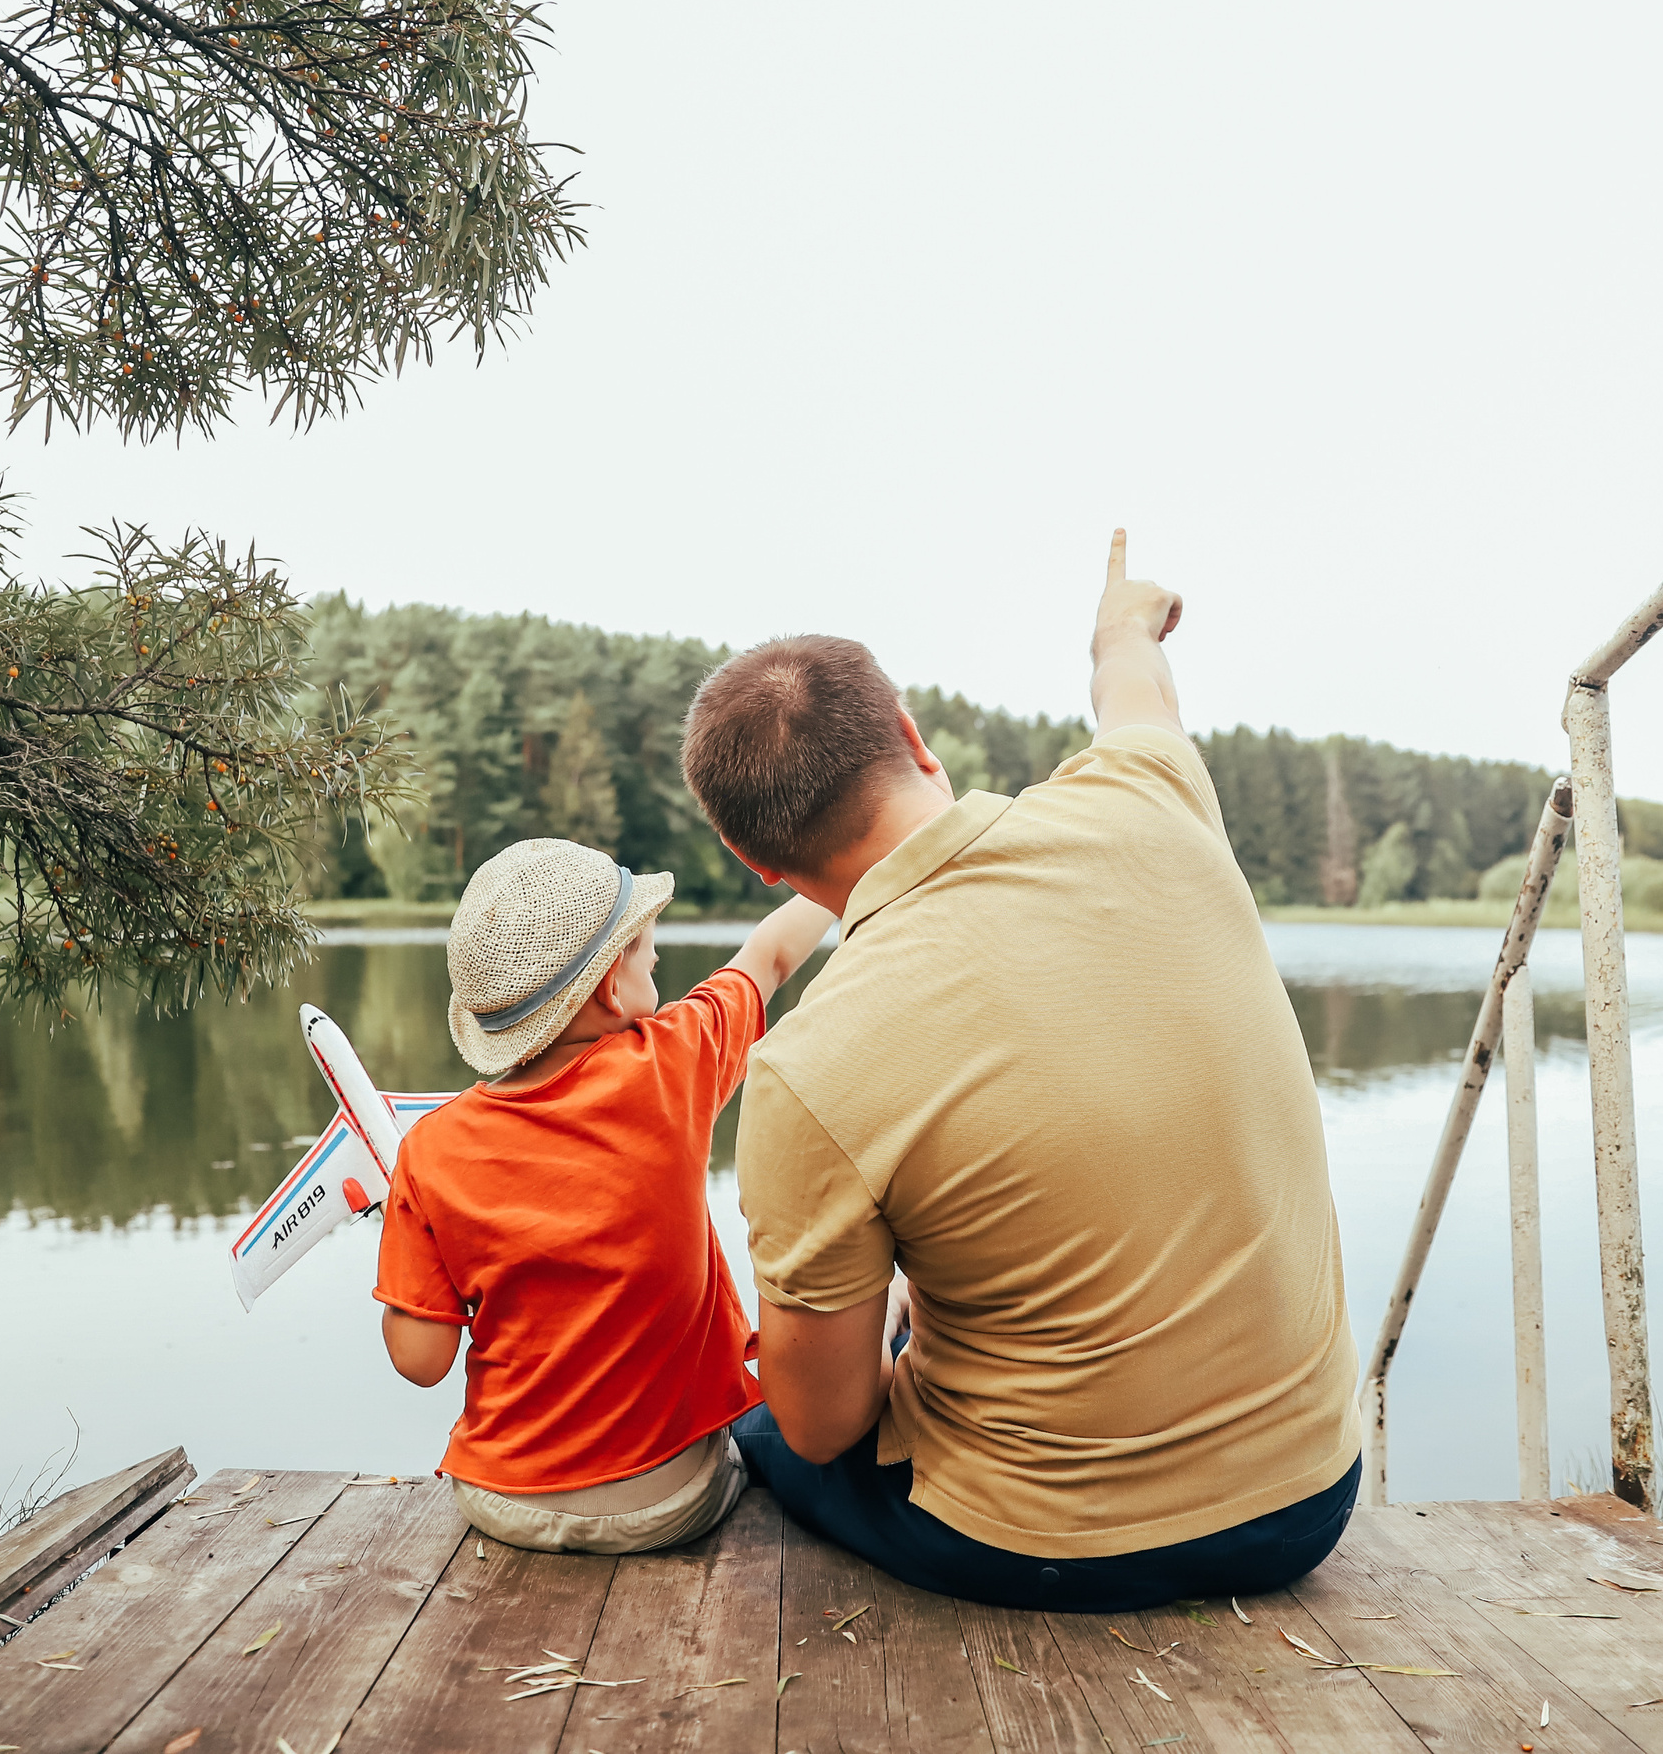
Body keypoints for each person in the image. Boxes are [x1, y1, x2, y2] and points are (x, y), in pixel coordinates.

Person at [679, 531, 1360, 1612]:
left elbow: (825, 1426)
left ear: (759, 866)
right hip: (1312, 1499)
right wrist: (1119, 624)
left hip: (1050, 1543)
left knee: (766, 1426)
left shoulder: (806, 1067)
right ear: (913, 738)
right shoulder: (1151, 796)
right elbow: (1133, 694)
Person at [372, 836, 832, 1554]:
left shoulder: (428, 1149)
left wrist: (400, 1227)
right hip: (667, 1503)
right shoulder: (674, 1062)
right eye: (645, 944)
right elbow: (770, 957)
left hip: (501, 1504)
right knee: (773, 1418)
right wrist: (854, 873)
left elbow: (420, 1360)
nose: (657, 957)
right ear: (612, 989)